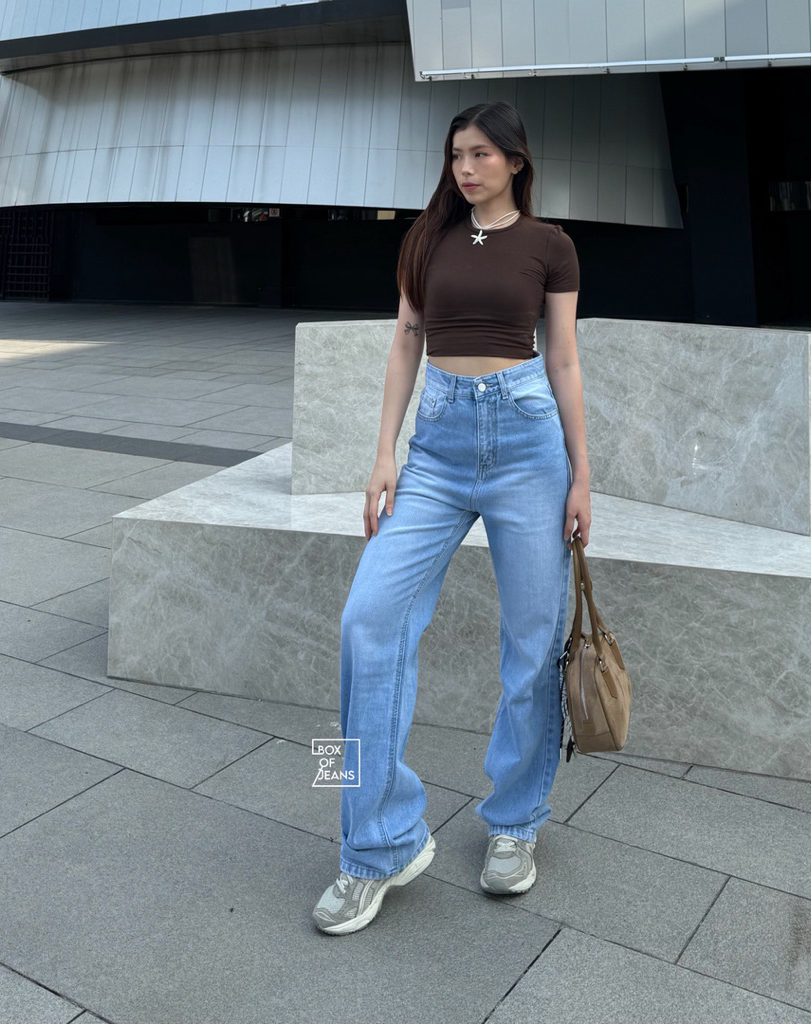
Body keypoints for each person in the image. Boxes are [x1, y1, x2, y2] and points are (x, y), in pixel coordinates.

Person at [312, 100, 591, 935]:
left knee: (532, 645)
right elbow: (405, 342)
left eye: (480, 155)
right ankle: (375, 844)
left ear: (515, 161)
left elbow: (564, 358)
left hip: (528, 448)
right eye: (456, 155)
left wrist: (582, 474)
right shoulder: (423, 239)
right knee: (365, 622)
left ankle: (516, 821)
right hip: (434, 449)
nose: (465, 168)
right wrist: (382, 454)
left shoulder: (551, 245)